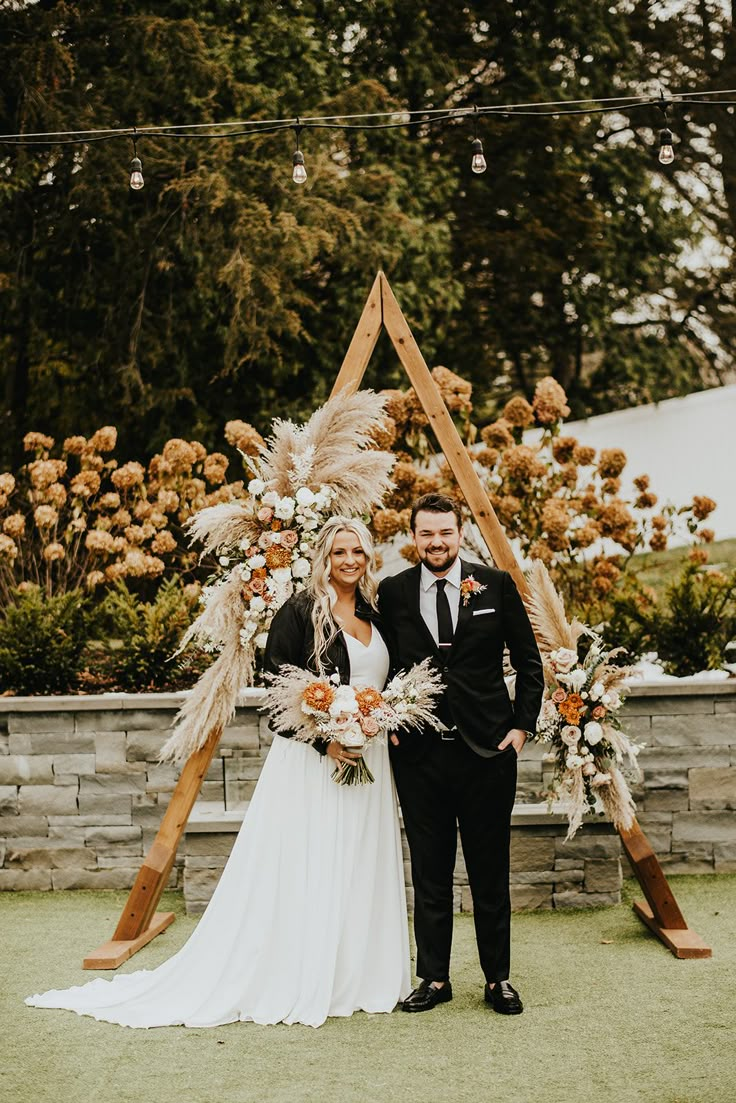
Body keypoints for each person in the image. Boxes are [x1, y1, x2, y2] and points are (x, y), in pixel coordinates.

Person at [26, 517, 410, 1029]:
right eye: (339, 551)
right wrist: (327, 738)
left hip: (370, 759)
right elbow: (277, 697)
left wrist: (386, 719)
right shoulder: (299, 613)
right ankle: (304, 973)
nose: (349, 561)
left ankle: (357, 974)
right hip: (315, 763)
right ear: (323, 556)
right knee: (311, 863)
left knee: (358, 861)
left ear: (368, 558)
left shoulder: (375, 612)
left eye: (357, 552)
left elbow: (391, 681)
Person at [378, 493, 544, 1016]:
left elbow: (530, 663)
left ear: (460, 532)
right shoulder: (393, 593)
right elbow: (378, 666)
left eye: (445, 532)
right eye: (427, 533)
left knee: (489, 870)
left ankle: (498, 980)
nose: (437, 542)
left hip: (487, 755)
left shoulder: (495, 586)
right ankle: (434, 978)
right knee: (430, 871)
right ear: (414, 537)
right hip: (420, 759)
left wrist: (520, 729)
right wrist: (387, 723)